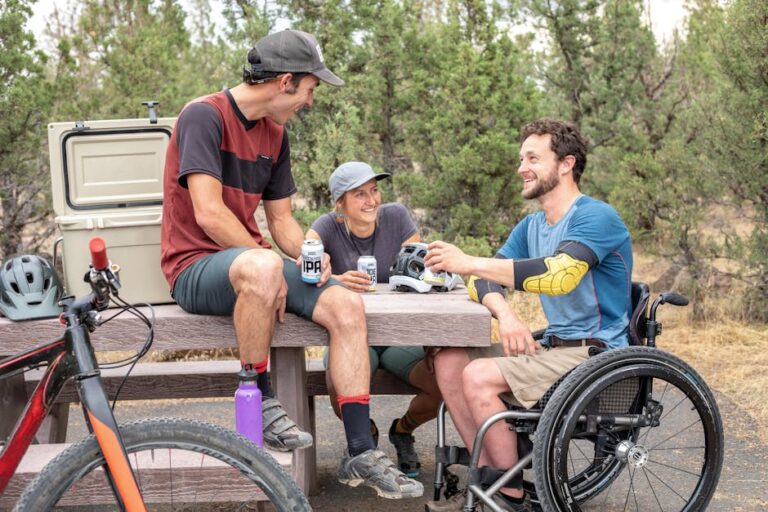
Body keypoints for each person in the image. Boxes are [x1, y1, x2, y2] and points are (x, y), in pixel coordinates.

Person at [160, 29, 422, 499]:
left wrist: (310, 258)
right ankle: (259, 395)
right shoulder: (204, 116)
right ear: (285, 82)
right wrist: (266, 261)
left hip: (251, 261)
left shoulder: (274, 135)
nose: (310, 100)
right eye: (310, 89)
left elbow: (281, 220)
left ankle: (361, 448)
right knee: (262, 269)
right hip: (194, 266)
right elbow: (209, 212)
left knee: (344, 304)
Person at [423, 118, 633, 511]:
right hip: (554, 347)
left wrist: (469, 261)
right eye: (522, 158)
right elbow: (479, 283)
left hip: (596, 353)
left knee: (479, 375)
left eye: (533, 158)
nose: (522, 167)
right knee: (449, 359)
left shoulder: (596, 217)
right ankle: (492, 478)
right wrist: (505, 314)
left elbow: (560, 276)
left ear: (566, 164)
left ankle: (508, 496)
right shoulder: (532, 225)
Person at [306, 161, 441, 478]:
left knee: (444, 385)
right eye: (359, 195)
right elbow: (304, 268)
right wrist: (334, 279)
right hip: (349, 338)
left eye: (374, 190)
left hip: (397, 338)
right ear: (340, 204)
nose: (371, 201)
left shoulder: (396, 216)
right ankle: (366, 440)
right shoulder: (326, 226)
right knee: (340, 390)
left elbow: (418, 272)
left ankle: (402, 431)